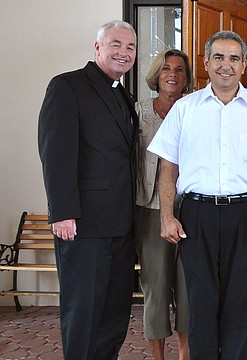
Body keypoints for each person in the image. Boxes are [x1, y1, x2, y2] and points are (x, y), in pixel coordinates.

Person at [147, 30, 247, 360]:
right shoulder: (185, 109)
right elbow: (168, 168)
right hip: (196, 215)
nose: (225, 65)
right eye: (218, 57)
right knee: (200, 301)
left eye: (233, 58)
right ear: (206, 62)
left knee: (240, 301)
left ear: (244, 64)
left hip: (246, 215)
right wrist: (167, 215)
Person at [38, 20, 138, 359]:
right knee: (83, 311)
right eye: (115, 45)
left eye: (130, 47)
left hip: (121, 224)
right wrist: (62, 212)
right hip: (83, 226)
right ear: (97, 48)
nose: (123, 53)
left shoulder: (122, 93)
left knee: (114, 313)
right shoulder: (67, 86)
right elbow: (56, 154)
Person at [135, 49, 193, 360]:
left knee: (187, 290)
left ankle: (185, 354)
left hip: (190, 210)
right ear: (157, 75)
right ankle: (158, 357)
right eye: (166, 68)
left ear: (187, 77)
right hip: (149, 211)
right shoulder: (139, 112)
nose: (173, 74)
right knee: (156, 290)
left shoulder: (195, 109)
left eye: (180, 69)